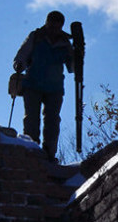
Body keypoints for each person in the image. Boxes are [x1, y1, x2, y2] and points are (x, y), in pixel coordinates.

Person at [13, 10, 74, 161]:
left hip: (54, 88)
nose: (53, 28)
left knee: (52, 121)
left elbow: (72, 67)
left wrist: (78, 55)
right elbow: (21, 55)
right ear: (47, 22)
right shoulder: (36, 36)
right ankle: (31, 149)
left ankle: (48, 154)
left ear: (61, 26)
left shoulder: (65, 43)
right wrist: (19, 64)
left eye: (56, 25)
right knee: (32, 119)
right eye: (51, 24)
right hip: (33, 84)